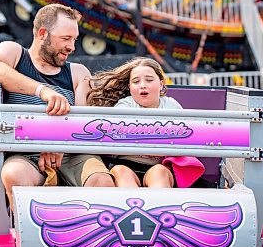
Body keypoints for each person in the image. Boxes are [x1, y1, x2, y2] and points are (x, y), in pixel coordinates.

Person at [0, 3, 114, 210]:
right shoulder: (15, 54)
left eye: (74, 39)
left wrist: (58, 143)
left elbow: (83, 123)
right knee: (13, 175)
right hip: (27, 155)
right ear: (43, 33)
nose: (72, 47)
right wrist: (43, 90)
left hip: (71, 154)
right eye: (66, 39)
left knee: (102, 182)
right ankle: (26, 238)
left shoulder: (77, 72)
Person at [87, 57, 204, 188]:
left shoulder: (171, 106)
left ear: (161, 84)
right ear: (129, 87)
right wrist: (157, 144)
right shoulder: (125, 105)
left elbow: (185, 139)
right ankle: (131, 206)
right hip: (126, 164)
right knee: (121, 172)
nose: (143, 85)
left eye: (149, 80)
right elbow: (117, 137)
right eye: (136, 82)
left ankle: (159, 207)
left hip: (158, 166)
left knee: (158, 173)